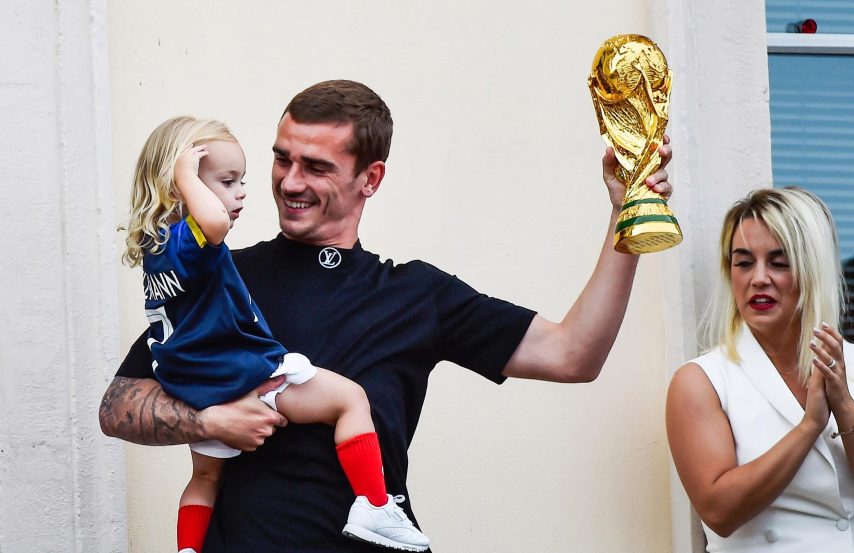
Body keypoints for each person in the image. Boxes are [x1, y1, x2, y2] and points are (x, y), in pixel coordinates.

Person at [100, 80, 673, 552]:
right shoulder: (222, 274)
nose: (290, 181)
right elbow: (117, 406)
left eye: (316, 166)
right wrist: (209, 423)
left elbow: (575, 354)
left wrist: (624, 214)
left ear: (370, 178)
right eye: (281, 158)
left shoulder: (417, 293)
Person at [122, 116, 430, 553]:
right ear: (181, 189)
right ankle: (375, 505)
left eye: (242, 180)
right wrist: (187, 176)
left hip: (193, 384)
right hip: (239, 369)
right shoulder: (189, 241)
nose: (241, 192)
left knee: (205, 476)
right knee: (350, 399)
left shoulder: (156, 252)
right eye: (227, 182)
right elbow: (213, 225)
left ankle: (188, 549)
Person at [665, 187, 854, 552]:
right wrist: (809, 427)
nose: (759, 278)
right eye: (744, 262)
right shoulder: (702, 380)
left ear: (812, 269)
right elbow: (718, 511)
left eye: (779, 262)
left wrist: (845, 405)